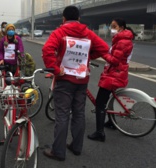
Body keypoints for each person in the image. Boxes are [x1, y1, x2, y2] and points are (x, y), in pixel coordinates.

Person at [42, 6, 112, 161]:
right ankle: (76, 147)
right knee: (79, 114)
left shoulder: (59, 32)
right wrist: (88, 57)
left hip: (64, 80)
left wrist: (54, 68)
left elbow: (47, 50)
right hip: (82, 80)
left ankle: (58, 152)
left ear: (63, 19)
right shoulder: (88, 33)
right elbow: (104, 48)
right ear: (79, 19)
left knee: (62, 115)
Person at [87, 18, 135, 142]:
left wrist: (103, 53)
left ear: (122, 28)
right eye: (111, 26)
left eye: (114, 26)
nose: (111, 29)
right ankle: (111, 122)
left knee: (100, 103)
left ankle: (99, 133)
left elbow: (114, 60)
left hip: (114, 75)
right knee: (109, 99)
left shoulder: (123, 42)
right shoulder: (120, 40)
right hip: (116, 73)